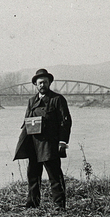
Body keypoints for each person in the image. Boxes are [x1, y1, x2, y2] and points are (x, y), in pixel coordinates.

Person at [12, 68, 71, 209]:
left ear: (49, 83)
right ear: (35, 85)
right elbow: (26, 121)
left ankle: (59, 205)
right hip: (33, 143)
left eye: (45, 82)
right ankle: (32, 203)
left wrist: (62, 141)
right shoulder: (31, 101)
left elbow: (66, 122)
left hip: (49, 144)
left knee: (54, 175)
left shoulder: (57, 99)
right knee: (33, 174)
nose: (42, 85)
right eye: (39, 83)